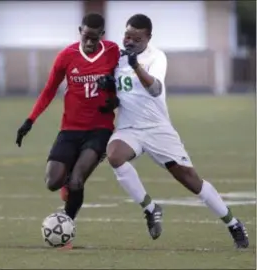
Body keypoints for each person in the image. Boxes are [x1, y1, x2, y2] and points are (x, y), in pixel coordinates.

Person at [100, 14, 249, 248]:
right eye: (127, 36)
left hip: (158, 129)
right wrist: (109, 91)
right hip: (129, 127)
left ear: (148, 37)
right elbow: (120, 92)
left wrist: (136, 66)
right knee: (115, 156)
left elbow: (155, 89)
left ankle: (233, 223)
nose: (129, 41)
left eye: (136, 38)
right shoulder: (117, 58)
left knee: (191, 180)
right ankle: (150, 208)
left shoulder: (156, 57)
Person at [16, 13, 120, 226]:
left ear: (103, 35)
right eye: (86, 37)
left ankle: (67, 225)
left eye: (95, 38)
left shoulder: (113, 52)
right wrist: (30, 120)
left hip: (100, 129)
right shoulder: (66, 56)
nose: (90, 42)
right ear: (80, 32)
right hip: (71, 129)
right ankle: (68, 178)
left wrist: (115, 98)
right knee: (52, 182)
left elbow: (125, 83)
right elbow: (49, 90)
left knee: (76, 181)